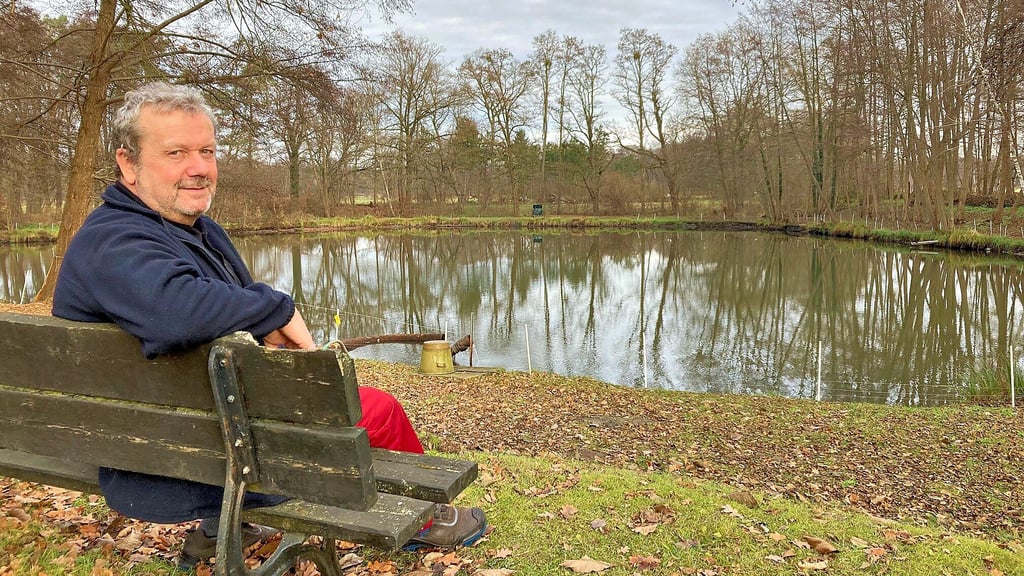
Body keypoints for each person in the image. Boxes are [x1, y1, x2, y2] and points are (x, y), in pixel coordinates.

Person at [51, 81, 486, 569]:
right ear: (128, 164)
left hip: (167, 439)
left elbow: (220, 312)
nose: (198, 168)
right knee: (377, 410)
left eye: (207, 151)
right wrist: (278, 309)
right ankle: (430, 520)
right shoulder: (113, 242)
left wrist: (264, 331)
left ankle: (219, 528)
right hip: (166, 462)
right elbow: (173, 311)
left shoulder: (190, 231)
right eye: (176, 152)